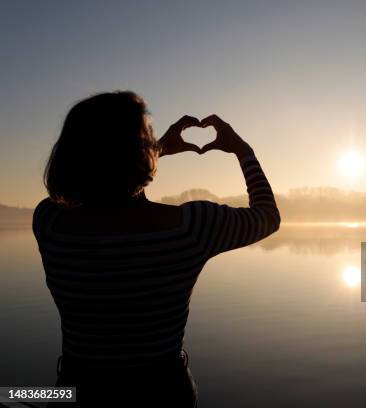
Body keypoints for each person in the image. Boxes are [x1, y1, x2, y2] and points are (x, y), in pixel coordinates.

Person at [31, 91, 281, 407]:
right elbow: (268, 217)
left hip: (76, 390)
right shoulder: (192, 226)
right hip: (162, 391)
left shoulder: (49, 223)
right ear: (139, 152)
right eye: (147, 138)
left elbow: (105, 176)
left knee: (14, 394)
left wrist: (157, 148)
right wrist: (243, 151)